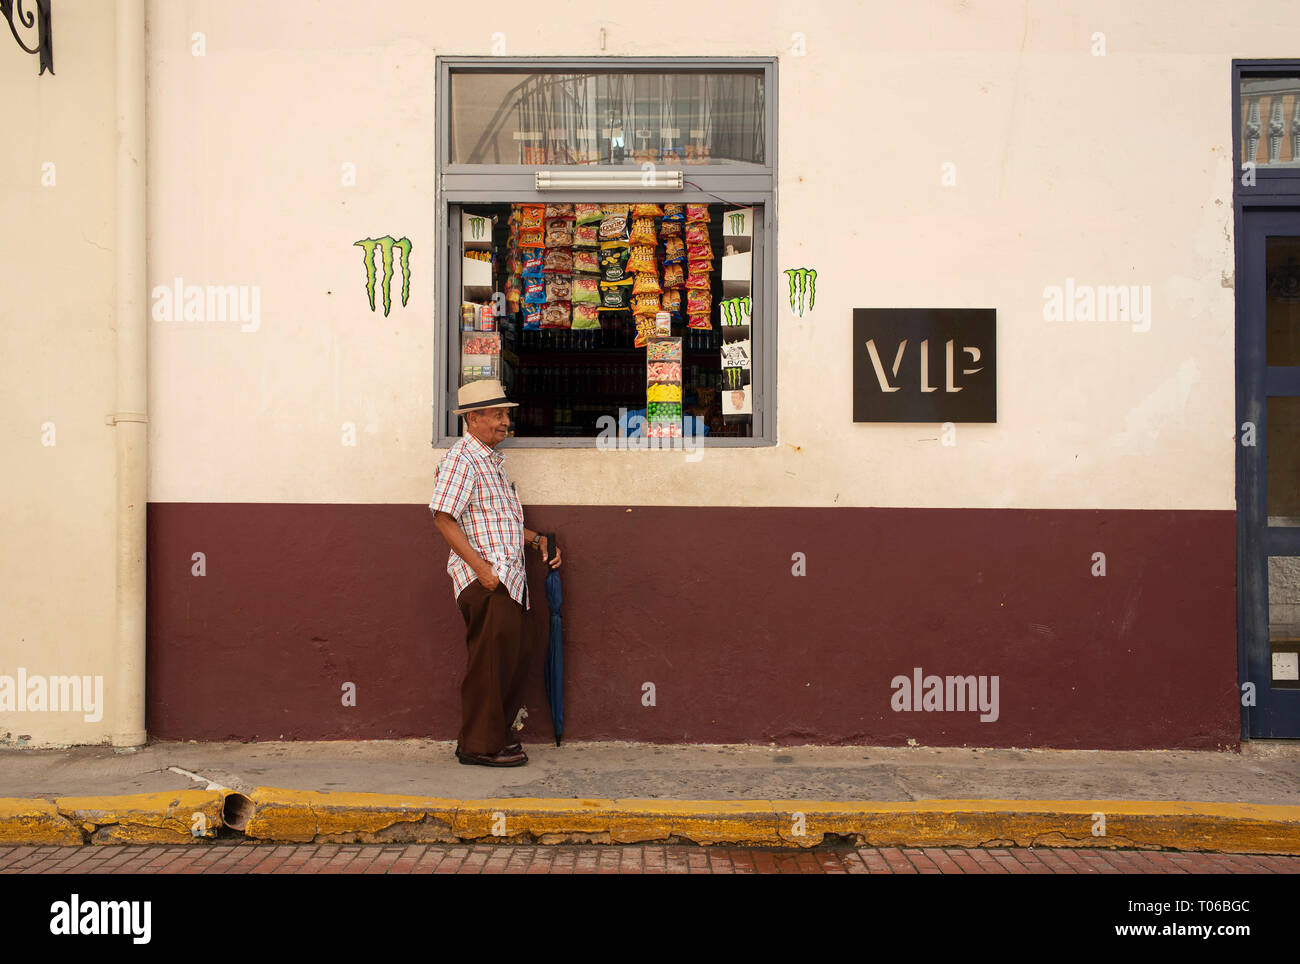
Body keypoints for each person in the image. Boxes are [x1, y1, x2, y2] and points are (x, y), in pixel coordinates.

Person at [429, 379, 562, 767]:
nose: (506, 422)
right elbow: (443, 517)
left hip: (508, 581)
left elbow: (498, 522)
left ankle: (494, 737)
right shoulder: (462, 459)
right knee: (490, 665)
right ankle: (478, 746)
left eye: (507, 414)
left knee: (509, 660)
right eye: (499, 414)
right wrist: (482, 570)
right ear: (473, 418)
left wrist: (537, 541)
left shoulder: (490, 462)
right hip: (488, 582)